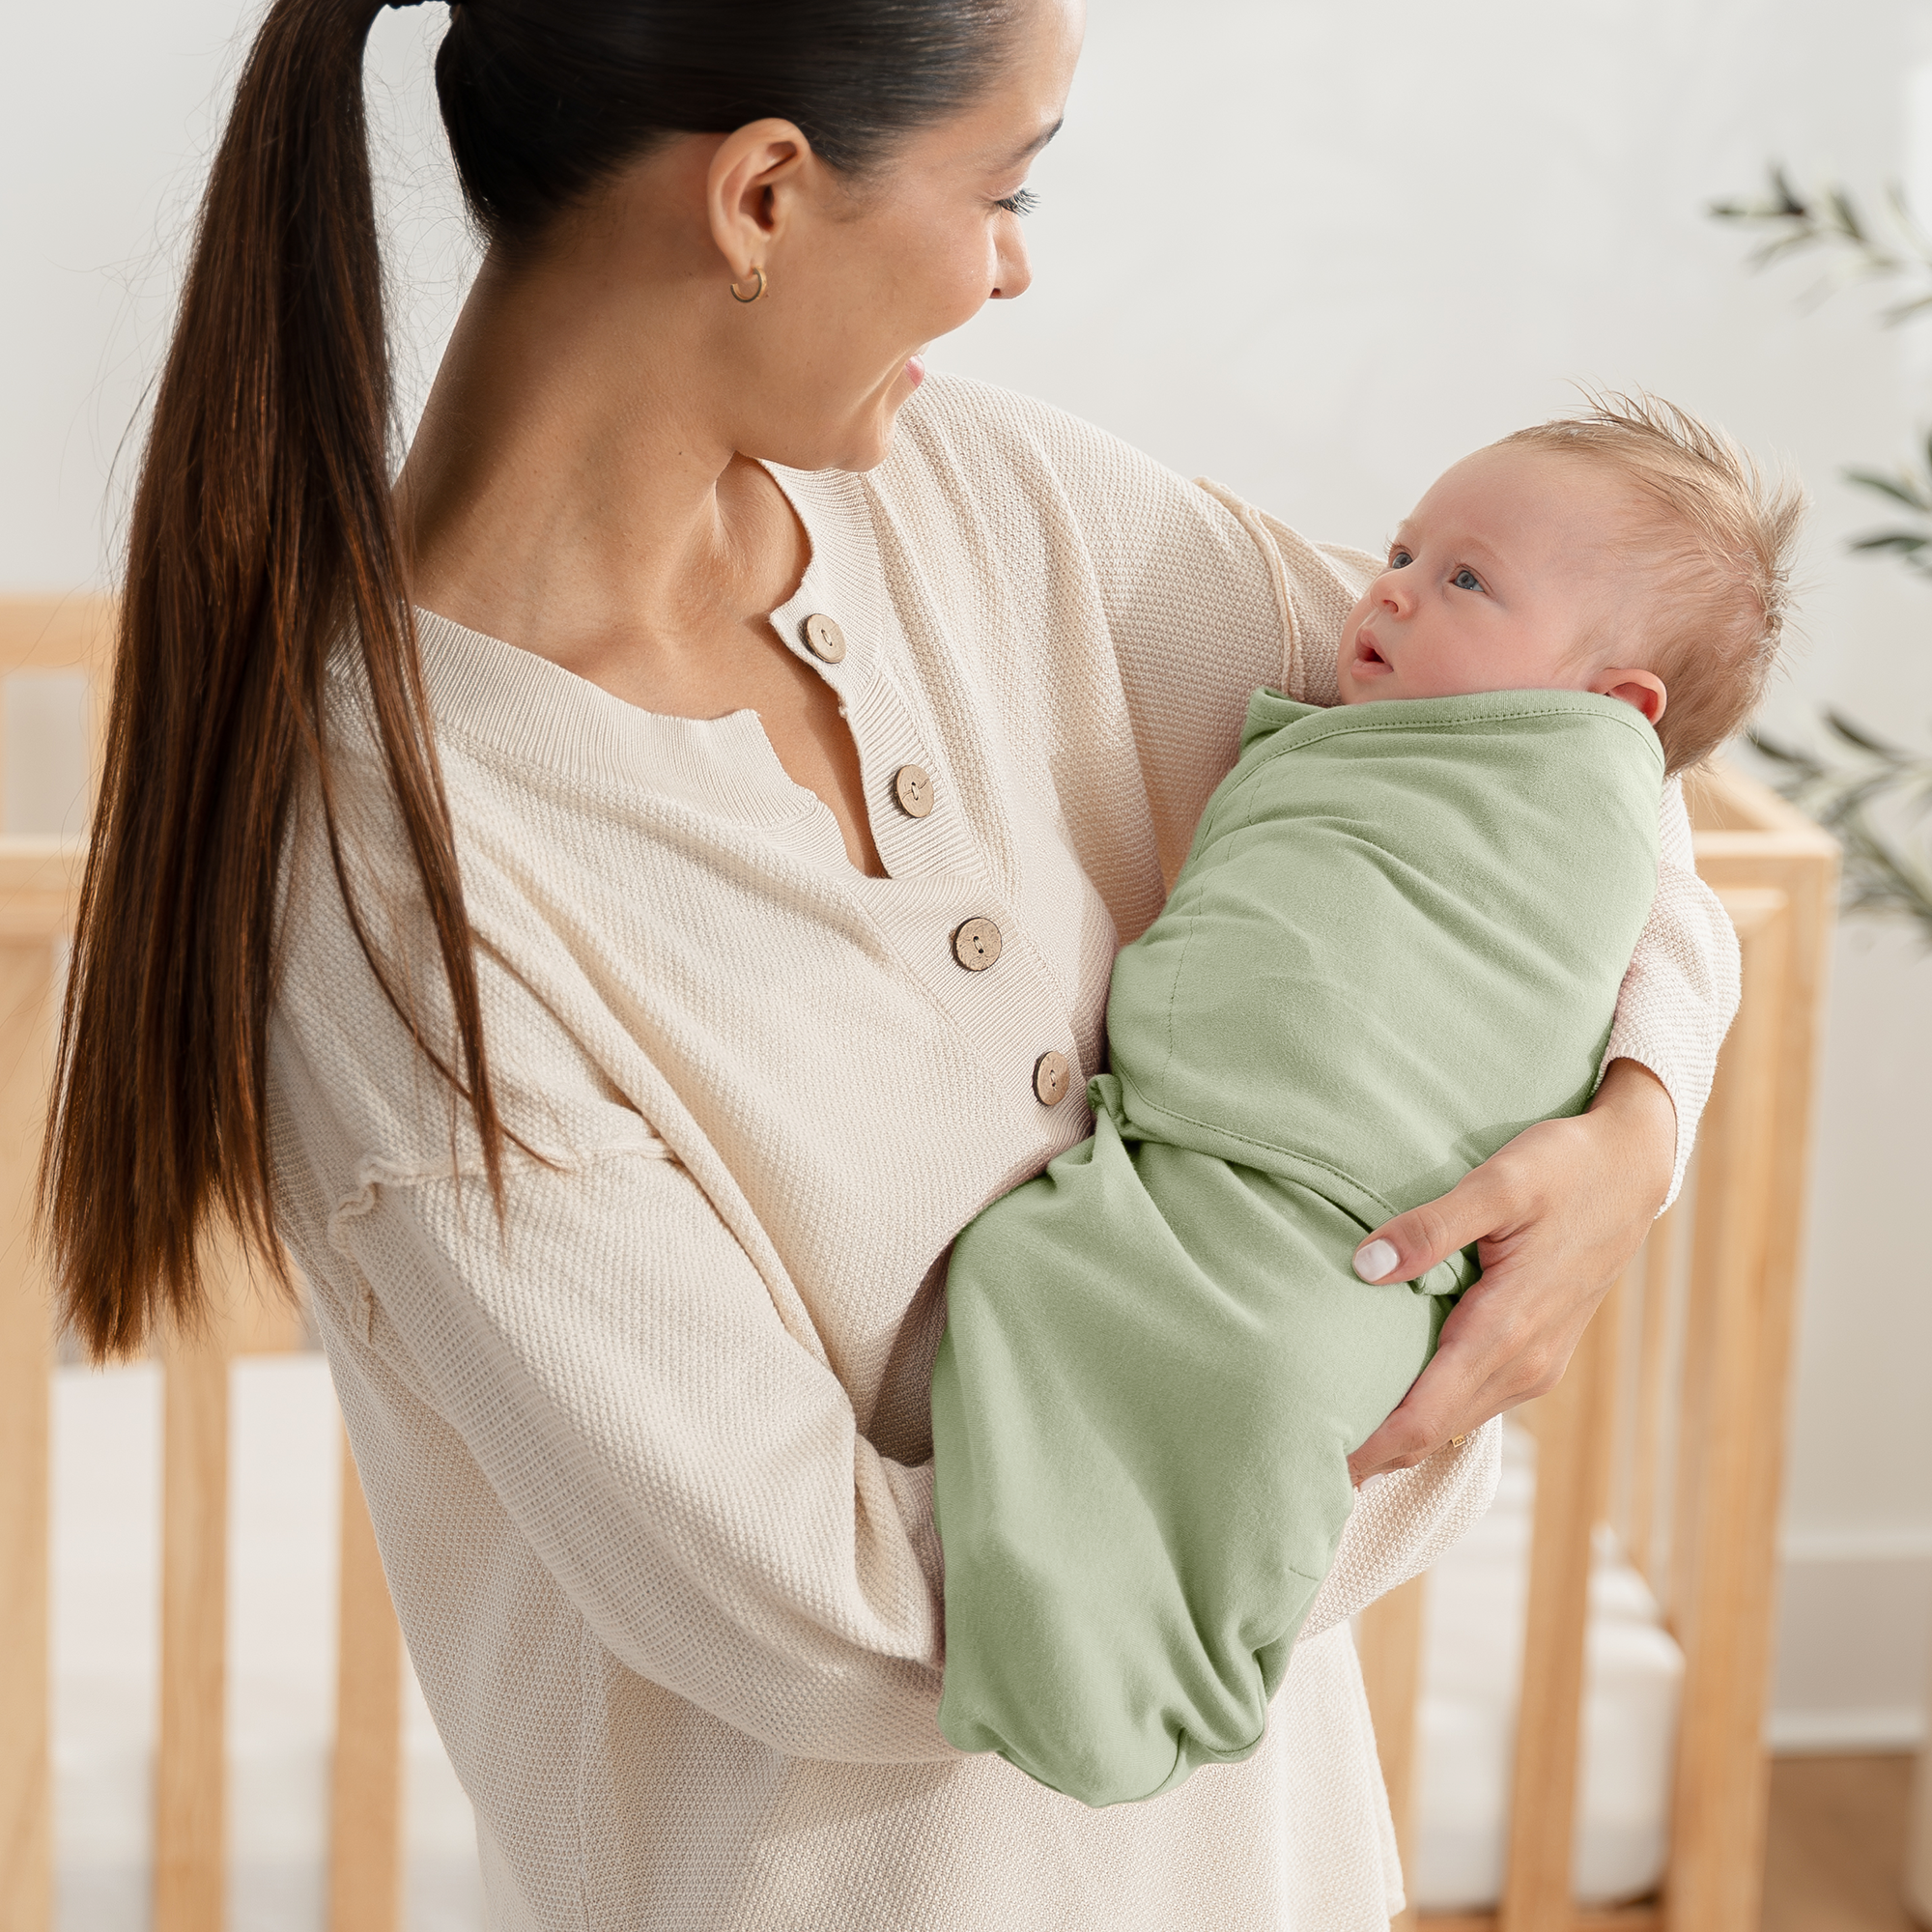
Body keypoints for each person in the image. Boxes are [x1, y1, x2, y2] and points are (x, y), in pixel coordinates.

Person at [41, 0, 1741, 1923]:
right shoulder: (399, 888)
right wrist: (1420, 1413)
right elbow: (841, 1616)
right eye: (1005, 190)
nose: (1014, 269)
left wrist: (1637, 1127)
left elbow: (1567, 765)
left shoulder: (987, 502)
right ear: (762, 195)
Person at [932, 397, 1801, 1808]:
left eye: (1463, 578)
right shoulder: (1404, 707)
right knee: (1043, 1290)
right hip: (1193, 1164)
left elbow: (1662, 856)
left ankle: (1145, 1678)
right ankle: (1084, 1658)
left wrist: (1641, 1125)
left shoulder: (1565, 788)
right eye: (1406, 550)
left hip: (1354, 1216)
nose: (1386, 588)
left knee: (1267, 1382)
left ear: (1614, 710)